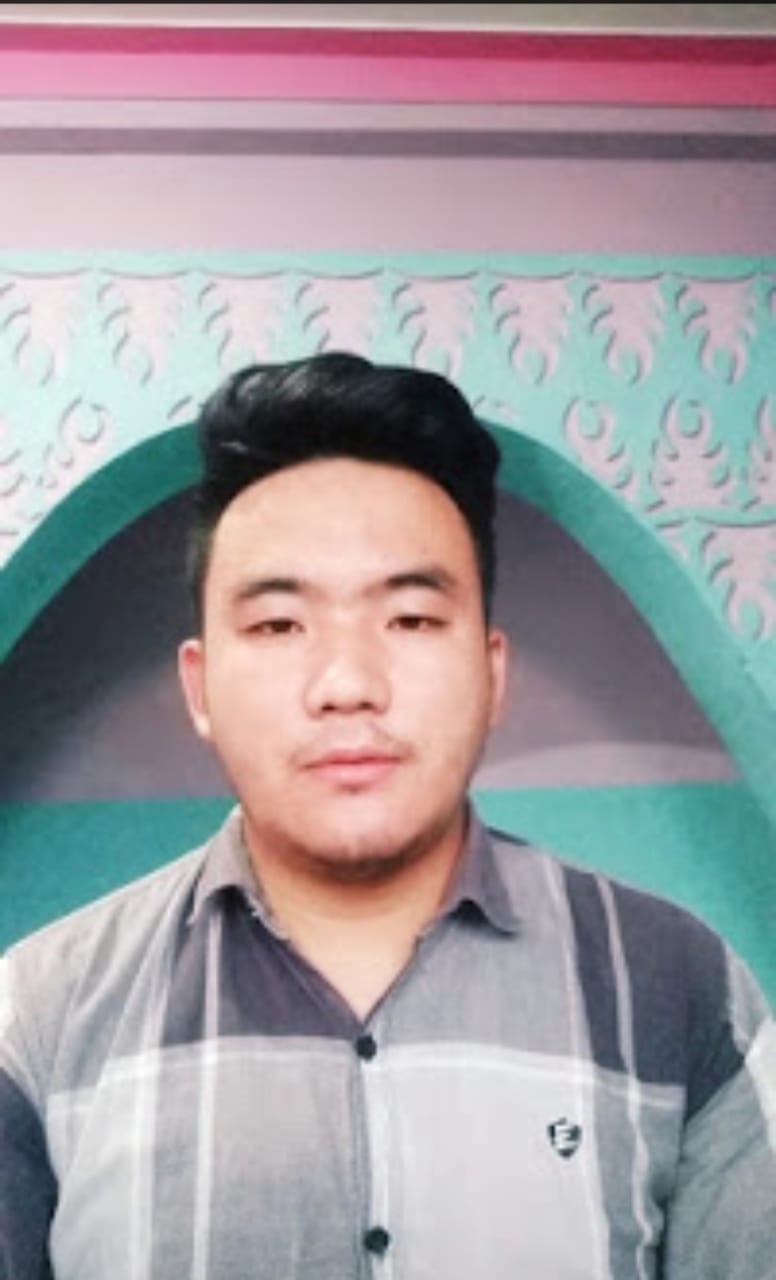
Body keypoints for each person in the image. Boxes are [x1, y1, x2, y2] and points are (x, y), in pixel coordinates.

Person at [0, 352, 774, 1280]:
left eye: (410, 619)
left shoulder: (685, 989)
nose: (347, 684)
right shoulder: (36, 1018)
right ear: (200, 689)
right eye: (279, 625)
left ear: (491, 673)